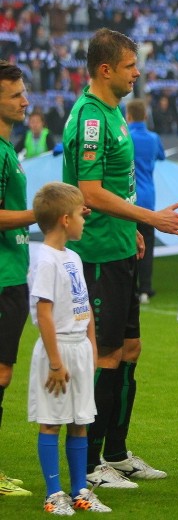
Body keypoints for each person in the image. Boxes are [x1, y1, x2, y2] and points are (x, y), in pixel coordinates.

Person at [62, 28, 178, 487]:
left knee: (129, 349)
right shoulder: (92, 119)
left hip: (120, 246)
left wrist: (133, 230)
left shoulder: (115, 113)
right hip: (96, 253)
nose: (138, 72)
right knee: (105, 355)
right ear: (105, 70)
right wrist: (148, 219)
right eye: (130, 65)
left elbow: (116, 185)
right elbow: (90, 192)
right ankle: (92, 464)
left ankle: (116, 453)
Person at [27, 182, 111, 514]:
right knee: (52, 421)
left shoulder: (72, 256)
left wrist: (91, 345)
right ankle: (54, 494)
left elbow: (84, 304)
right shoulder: (45, 259)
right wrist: (55, 361)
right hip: (57, 350)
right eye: (80, 214)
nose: (84, 220)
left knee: (80, 421)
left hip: (79, 348)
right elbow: (45, 314)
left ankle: (80, 491)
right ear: (65, 219)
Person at [0, 60, 36, 497]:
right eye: (15, 95)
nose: (25, 100)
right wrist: (44, 214)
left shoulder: (9, 149)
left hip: (12, 275)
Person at [126, 99, 165, 304]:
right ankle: (145, 289)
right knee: (147, 244)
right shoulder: (153, 138)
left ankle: (131, 287)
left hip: (129, 200)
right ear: (146, 116)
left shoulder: (126, 138)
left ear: (128, 117)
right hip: (148, 199)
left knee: (129, 243)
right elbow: (162, 156)